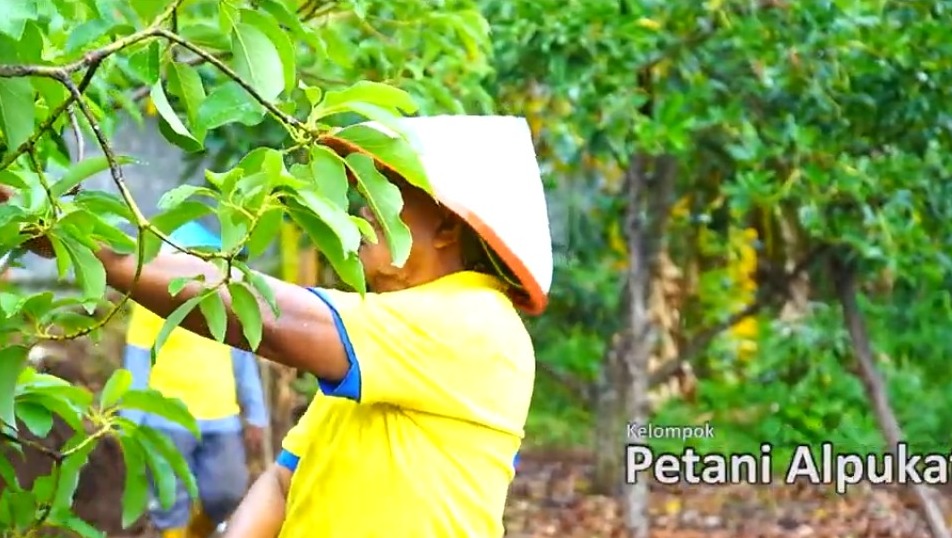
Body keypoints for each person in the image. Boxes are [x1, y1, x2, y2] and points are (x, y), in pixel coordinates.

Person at [7, 114, 553, 537]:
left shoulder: (476, 323)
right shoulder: (385, 345)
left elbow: (267, 316)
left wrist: (87, 246)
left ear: (445, 227)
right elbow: (285, 478)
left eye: (385, 196)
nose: (361, 213)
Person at [119, 221, 269, 538]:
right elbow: (137, 364)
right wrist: (129, 422)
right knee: (169, 501)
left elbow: (243, 362)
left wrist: (256, 413)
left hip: (221, 416)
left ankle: (198, 532)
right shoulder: (151, 305)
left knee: (227, 492)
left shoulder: (227, 304)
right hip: (165, 419)